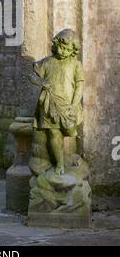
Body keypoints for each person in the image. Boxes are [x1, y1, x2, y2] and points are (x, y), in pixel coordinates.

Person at [29, 29, 84, 175]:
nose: (63, 51)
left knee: (70, 132)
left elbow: (79, 86)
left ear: (73, 49)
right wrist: (41, 82)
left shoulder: (75, 64)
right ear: (55, 44)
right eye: (60, 47)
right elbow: (31, 76)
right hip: (48, 103)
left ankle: (68, 158)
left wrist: (73, 105)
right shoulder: (47, 62)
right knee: (54, 133)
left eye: (67, 49)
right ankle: (60, 164)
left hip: (68, 105)